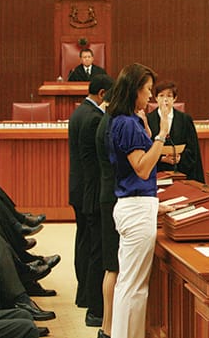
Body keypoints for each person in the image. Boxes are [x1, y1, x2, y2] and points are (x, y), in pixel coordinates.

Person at [106, 63, 173, 338]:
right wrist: (161, 133)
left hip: (135, 204)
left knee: (130, 285)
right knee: (133, 287)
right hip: (135, 208)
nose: (150, 97)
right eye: (147, 91)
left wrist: (147, 130)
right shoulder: (127, 124)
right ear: (134, 90)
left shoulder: (125, 121)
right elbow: (143, 168)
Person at [68, 74, 114, 320]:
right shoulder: (96, 118)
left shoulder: (79, 112)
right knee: (95, 246)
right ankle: (91, 300)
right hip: (92, 190)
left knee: (84, 242)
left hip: (79, 188)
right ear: (103, 94)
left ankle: (83, 294)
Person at [146, 80, 205, 182]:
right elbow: (144, 148)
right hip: (156, 172)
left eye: (169, 96)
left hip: (181, 171)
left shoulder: (185, 120)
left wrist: (180, 158)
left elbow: (193, 149)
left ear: (175, 99)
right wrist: (161, 158)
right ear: (156, 98)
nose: (165, 100)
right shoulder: (148, 120)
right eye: (161, 96)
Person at [95, 87, 118, 338]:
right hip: (112, 198)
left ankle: (108, 326)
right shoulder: (111, 124)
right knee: (113, 266)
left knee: (112, 267)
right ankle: (108, 328)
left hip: (107, 195)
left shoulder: (106, 121)